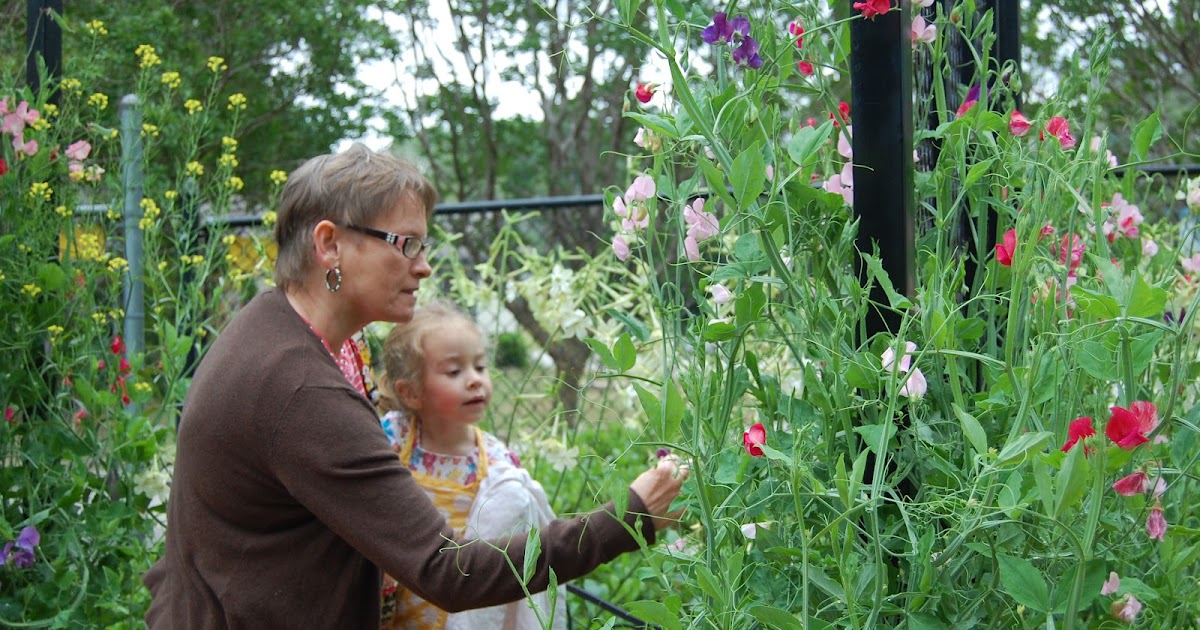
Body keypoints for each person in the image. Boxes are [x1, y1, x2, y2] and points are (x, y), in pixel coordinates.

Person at [142, 144, 687, 629]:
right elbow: (447, 569)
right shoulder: (297, 387)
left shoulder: (279, 330)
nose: (424, 267)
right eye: (406, 244)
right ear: (329, 244)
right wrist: (629, 516)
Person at [376, 300, 567, 629]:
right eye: (455, 371)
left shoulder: (495, 462)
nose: (475, 380)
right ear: (410, 393)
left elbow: (507, 556)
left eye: (480, 367)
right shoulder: (389, 439)